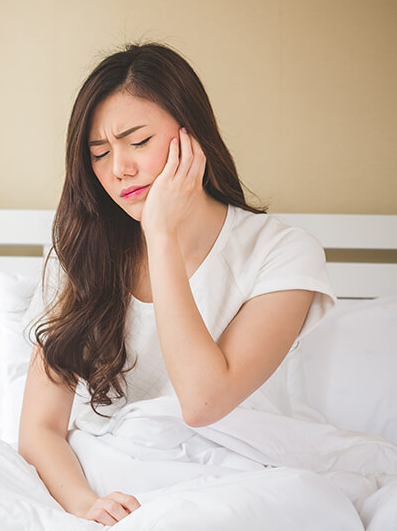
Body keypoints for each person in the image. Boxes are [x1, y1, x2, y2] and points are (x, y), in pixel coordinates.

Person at [17, 43, 335, 526]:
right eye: (99, 153)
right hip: (109, 478)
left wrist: (160, 234)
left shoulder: (282, 252)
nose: (118, 169)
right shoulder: (81, 253)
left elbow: (204, 402)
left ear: (192, 135)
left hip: (239, 475)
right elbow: (40, 427)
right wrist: (84, 503)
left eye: (138, 142)